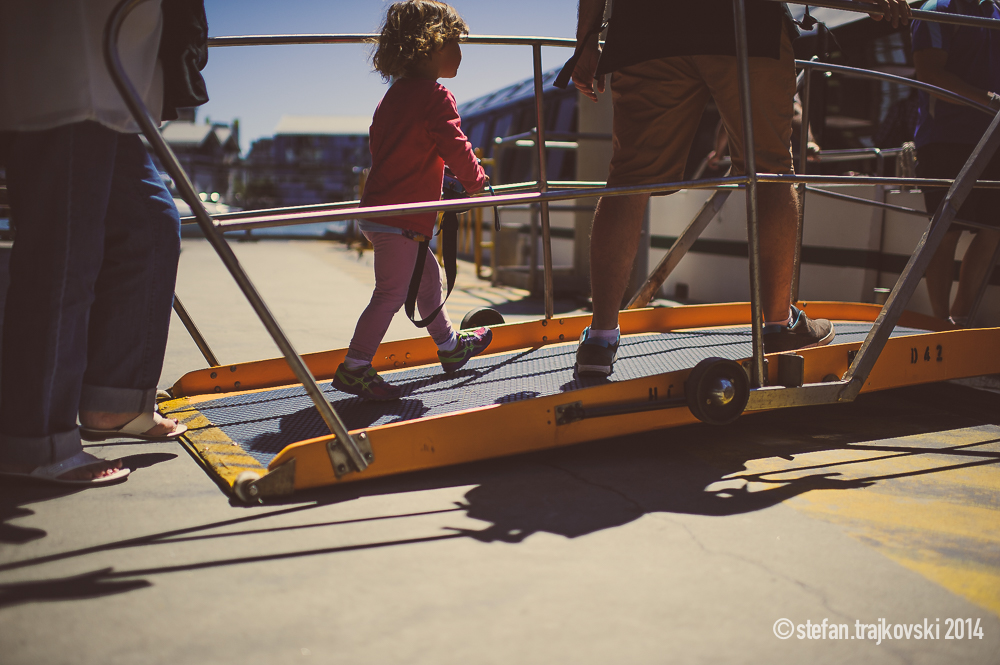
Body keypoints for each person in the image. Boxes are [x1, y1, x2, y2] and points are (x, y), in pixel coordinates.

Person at [569, 0, 910, 376]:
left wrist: (586, 40)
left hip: (647, 25)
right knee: (770, 172)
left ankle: (600, 339)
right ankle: (779, 325)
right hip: (744, 21)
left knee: (628, 180)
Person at [0, 0, 198, 486]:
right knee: (64, 252)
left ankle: (114, 403)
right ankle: (33, 441)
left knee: (151, 226)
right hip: (62, 71)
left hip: (111, 78)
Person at [332, 0, 493, 401]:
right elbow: (455, 144)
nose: (461, 52)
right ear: (431, 45)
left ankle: (450, 346)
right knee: (390, 293)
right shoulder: (436, 96)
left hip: (382, 211)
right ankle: (355, 367)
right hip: (402, 219)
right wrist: (476, 181)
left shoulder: (393, 97)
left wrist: (437, 178)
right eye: (455, 42)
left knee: (428, 281)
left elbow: (401, 151)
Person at [911, 0, 1000, 327]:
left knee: (993, 229)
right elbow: (930, 74)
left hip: (993, 136)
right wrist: (988, 100)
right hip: (944, 138)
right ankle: (940, 323)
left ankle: (958, 319)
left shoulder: (995, 10)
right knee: (946, 231)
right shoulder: (936, 8)